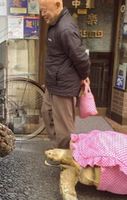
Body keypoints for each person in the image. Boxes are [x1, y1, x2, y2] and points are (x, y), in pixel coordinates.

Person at [39, 0, 91, 166]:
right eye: (41, 11)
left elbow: (81, 58)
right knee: (47, 114)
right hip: (54, 82)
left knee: (64, 128)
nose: (42, 14)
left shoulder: (65, 28)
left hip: (64, 84)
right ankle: (59, 151)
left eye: (44, 10)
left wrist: (84, 76)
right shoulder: (56, 24)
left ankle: (67, 160)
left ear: (57, 4)